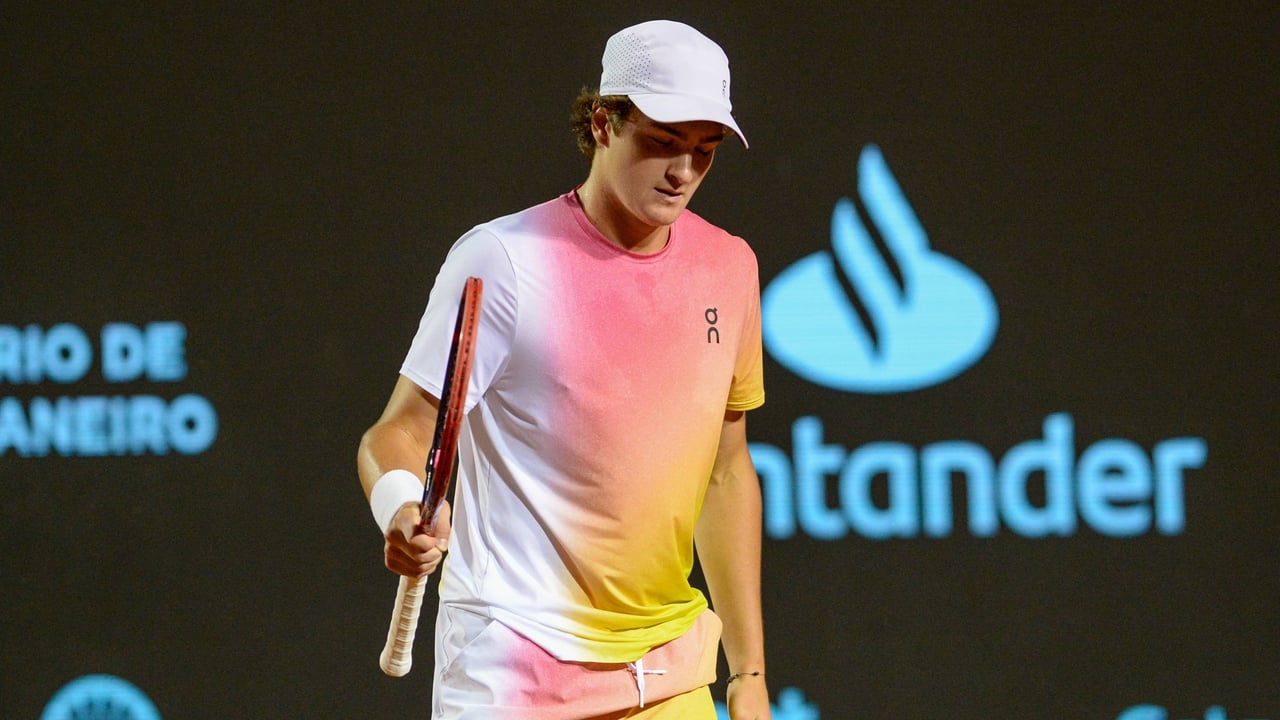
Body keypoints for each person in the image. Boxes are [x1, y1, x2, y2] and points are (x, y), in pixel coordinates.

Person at [358, 19, 771, 720]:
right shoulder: (502, 259)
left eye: (703, 151)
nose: (682, 172)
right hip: (512, 671)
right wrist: (400, 506)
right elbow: (396, 433)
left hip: (667, 669)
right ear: (604, 124)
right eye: (663, 142)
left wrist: (749, 673)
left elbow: (726, 471)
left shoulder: (729, 267)